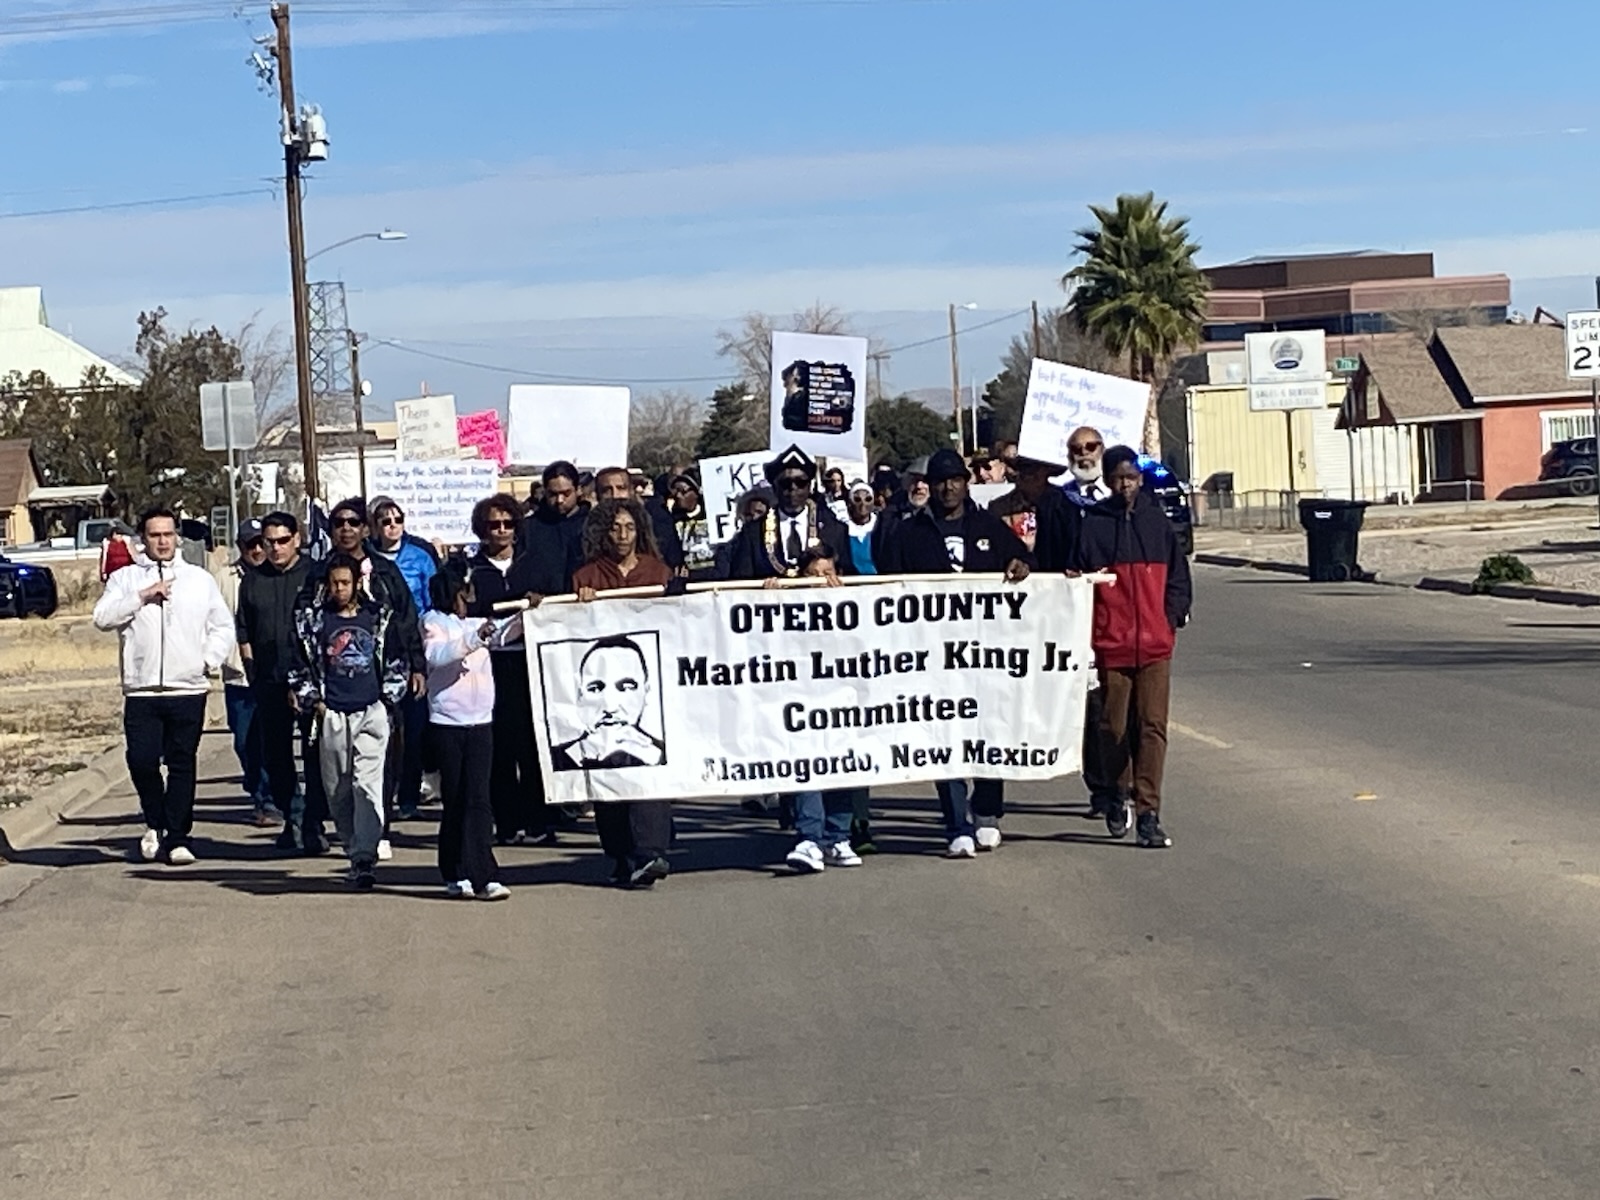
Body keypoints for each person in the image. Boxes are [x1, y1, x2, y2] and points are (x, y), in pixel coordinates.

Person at [879, 448, 1033, 857]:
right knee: (943, 738)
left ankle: (986, 813)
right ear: (929, 485)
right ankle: (955, 823)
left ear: (966, 483)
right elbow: (888, 590)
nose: (949, 487)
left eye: (956, 479)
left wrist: (1021, 563)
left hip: (986, 655)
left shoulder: (988, 526)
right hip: (932, 659)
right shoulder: (910, 533)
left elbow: (1026, 562)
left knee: (988, 733)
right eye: (941, 480)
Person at [92, 505, 233, 865]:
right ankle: (155, 822)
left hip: (187, 689)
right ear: (143, 540)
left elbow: (222, 626)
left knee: (182, 762)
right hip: (141, 690)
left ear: (178, 538)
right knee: (141, 761)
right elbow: (102, 618)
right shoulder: (125, 578)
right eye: (155, 535)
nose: (163, 541)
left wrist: (206, 660)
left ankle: (179, 837)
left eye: (168, 534)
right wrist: (141, 596)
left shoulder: (198, 579)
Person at [1071, 445, 1191, 849]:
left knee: (1153, 727)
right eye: (1119, 478)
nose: (1126, 485)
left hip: (1156, 645)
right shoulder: (1094, 525)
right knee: (1114, 727)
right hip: (1113, 645)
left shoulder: (1156, 523)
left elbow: (1178, 576)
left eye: (1132, 478)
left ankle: (1148, 812)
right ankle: (1116, 793)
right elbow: (1078, 580)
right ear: (1107, 480)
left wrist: (1171, 616)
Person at [295, 498, 426, 863]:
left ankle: (377, 834)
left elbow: (404, 621)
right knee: (336, 776)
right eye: (339, 522)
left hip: (376, 693)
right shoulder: (318, 574)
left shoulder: (384, 572)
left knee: (377, 766)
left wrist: (415, 666)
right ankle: (344, 832)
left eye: (354, 522)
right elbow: (303, 633)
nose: (347, 528)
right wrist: (307, 693)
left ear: (365, 528)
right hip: (331, 697)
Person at [290, 553, 407, 890]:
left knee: (366, 785)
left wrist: (387, 702)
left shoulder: (377, 618)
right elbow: (298, 665)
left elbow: (397, 660)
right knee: (339, 789)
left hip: (371, 711)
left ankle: (364, 856)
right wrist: (315, 702)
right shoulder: (313, 622)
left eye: (345, 582)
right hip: (332, 715)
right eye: (334, 583)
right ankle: (351, 844)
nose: (339, 589)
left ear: (358, 583)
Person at [464, 494, 555, 845]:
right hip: (489, 664)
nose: (501, 530)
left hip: (528, 662)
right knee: (498, 747)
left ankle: (539, 821)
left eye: (508, 523)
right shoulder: (471, 570)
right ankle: (507, 822)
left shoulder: (535, 564)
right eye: (493, 524)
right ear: (482, 529)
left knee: (532, 743)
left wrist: (539, 604)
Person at [422, 563, 510, 901]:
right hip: (448, 723)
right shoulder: (433, 622)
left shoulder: (475, 623)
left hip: (481, 721)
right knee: (456, 798)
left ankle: (484, 874)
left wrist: (529, 611)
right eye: (464, 591)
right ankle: (454, 870)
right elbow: (438, 656)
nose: (469, 597)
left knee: (479, 799)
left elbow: (503, 633)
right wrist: (476, 638)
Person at [776, 545, 864, 874]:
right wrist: (772, 598)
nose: (820, 582)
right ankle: (810, 837)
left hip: (841, 699)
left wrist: (845, 600)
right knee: (807, 762)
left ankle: (837, 836)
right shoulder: (787, 605)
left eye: (827, 574)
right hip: (802, 701)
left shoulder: (854, 604)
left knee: (843, 763)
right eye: (813, 576)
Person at [238, 511, 321, 851]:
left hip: (311, 682)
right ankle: (294, 815)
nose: (274, 548)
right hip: (269, 681)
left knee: (316, 755)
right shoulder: (253, 580)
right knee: (275, 756)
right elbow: (243, 629)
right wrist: (251, 668)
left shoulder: (316, 574)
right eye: (268, 542)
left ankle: (313, 822)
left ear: (297, 539)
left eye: (282, 541)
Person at [368, 495, 440, 821]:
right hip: (377, 652)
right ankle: (380, 794)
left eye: (398, 520)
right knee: (382, 731)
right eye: (386, 521)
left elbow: (433, 600)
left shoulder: (420, 556)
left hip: (416, 646)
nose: (393, 526)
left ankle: (409, 793)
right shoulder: (366, 560)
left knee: (414, 728)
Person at [219, 519, 277, 826]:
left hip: (272, 673)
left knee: (272, 739)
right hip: (238, 675)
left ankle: (269, 800)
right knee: (244, 741)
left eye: (260, 543)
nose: (256, 550)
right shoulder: (224, 578)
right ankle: (258, 788)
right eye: (249, 544)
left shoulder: (278, 576)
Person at [723, 445, 851, 581]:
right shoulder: (753, 533)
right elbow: (740, 581)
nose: (793, 488)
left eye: (800, 483)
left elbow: (848, 577)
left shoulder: (835, 530)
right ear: (774, 488)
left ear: (809, 487)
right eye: (785, 483)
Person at [518, 460, 588, 596]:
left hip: (582, 603)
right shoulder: (529, 527)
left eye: (566, 493)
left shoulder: (591, 524)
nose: (560, 500)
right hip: (542, 607)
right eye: (553, 494)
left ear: (578, 490)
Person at [596, 464, 682, 569]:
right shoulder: (587, 528)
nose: (615, 495)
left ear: (631, 491)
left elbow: (673, 560)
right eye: (606, 490)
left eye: (621, 488)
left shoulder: (657, 519)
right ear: (597, 495)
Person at [667, 473, 718, 581]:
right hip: (685, 580)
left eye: (683, 491)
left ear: (696, 493)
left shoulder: (712, 517)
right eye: (676, 491)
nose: (678, 495)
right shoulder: (671, 520)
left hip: (713, 577)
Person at [842, 479, 892, 576]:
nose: (863, 504)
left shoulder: (882, 528)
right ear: (849, 503)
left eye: (868, 499)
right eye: (857, 499)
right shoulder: (842, 530)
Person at [1062, 426, 1110, 508]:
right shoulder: (1062, 497)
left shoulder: (1118, 491)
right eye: (1076, 449)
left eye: (1091, 447)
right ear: (1069, 455)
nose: (1084, 452)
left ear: (1103, 450)